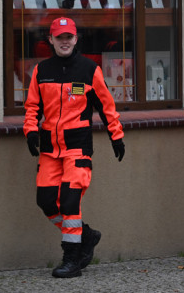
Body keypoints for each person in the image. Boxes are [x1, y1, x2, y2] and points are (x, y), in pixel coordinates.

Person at [24, 17, 125, 278]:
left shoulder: (89, 70)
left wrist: (116, 136)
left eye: (69, 37)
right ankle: (86, 235)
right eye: (60, 37)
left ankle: (71, 258)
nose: (65, 41)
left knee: (70, 202)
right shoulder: (41, 70)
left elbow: (106, 106)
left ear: (76, 39)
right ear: (51, 40)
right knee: (46, 201)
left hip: (77, 149)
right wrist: (31, 132)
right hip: (49, 150)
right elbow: (33, 107)